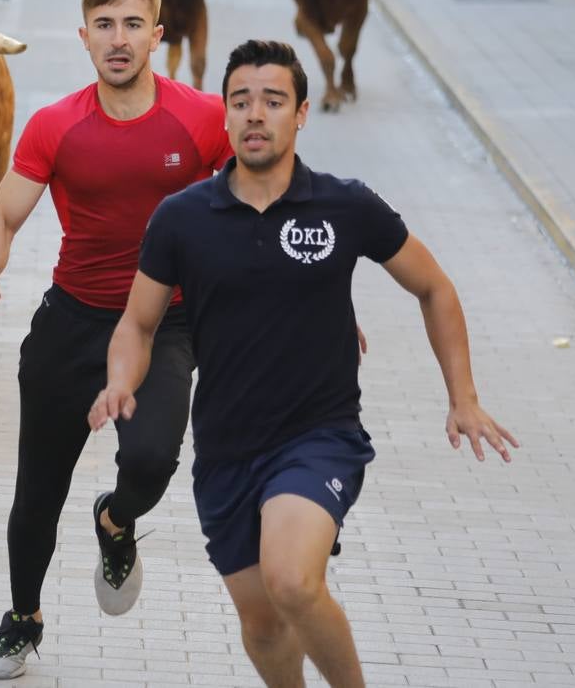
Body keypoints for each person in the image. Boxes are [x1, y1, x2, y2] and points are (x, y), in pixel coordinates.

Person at [89, 39, 517, 688]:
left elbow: (434, 287)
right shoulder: (181, 219)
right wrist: (122, 380)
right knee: (262, 624)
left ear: (302, 114)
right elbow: (139, 323)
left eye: (273, 100)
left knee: (292, 580)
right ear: (224, 116)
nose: (256, 113)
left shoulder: (344, 206)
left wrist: (463, 395)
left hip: (318, 438)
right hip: (227, 451)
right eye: (241, 101)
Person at [0, 0, 232, 680]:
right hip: (72, 323)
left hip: (164, 324)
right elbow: (3, 214)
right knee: (35, 495)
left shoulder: (201, 118)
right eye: (104, 25)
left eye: (132, 24)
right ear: (84, 36)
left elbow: (261, 198)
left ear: (156, 34)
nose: (118, 38)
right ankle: (23, 617)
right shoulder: (57, 125)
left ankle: (115, 519)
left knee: (151, 461)